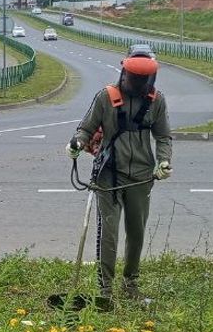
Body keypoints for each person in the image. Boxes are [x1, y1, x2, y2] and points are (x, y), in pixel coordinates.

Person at [66, 53, 172, 303]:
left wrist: (164, 161)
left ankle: (130, 283)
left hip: (142, 177)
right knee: (109, 233)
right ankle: (105, 289)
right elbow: (86, 128)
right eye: (133, 78)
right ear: (124, 74)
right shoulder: (106, 97)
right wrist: (77, 144)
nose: (136, 84)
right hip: (109, 176)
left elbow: (163, 136)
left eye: (142, 80)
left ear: (150, 79)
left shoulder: (157, 101)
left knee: (136, 231)